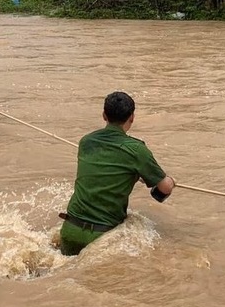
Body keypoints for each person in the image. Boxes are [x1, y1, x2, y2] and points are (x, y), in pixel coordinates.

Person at [58, 91, 175, 256]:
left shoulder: (86, 142)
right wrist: (170, 181)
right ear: (132, 117)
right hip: (102, 238)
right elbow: (163, 189)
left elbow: (105, 168)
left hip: (69, 231)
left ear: (104, 115)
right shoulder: (137, 150)